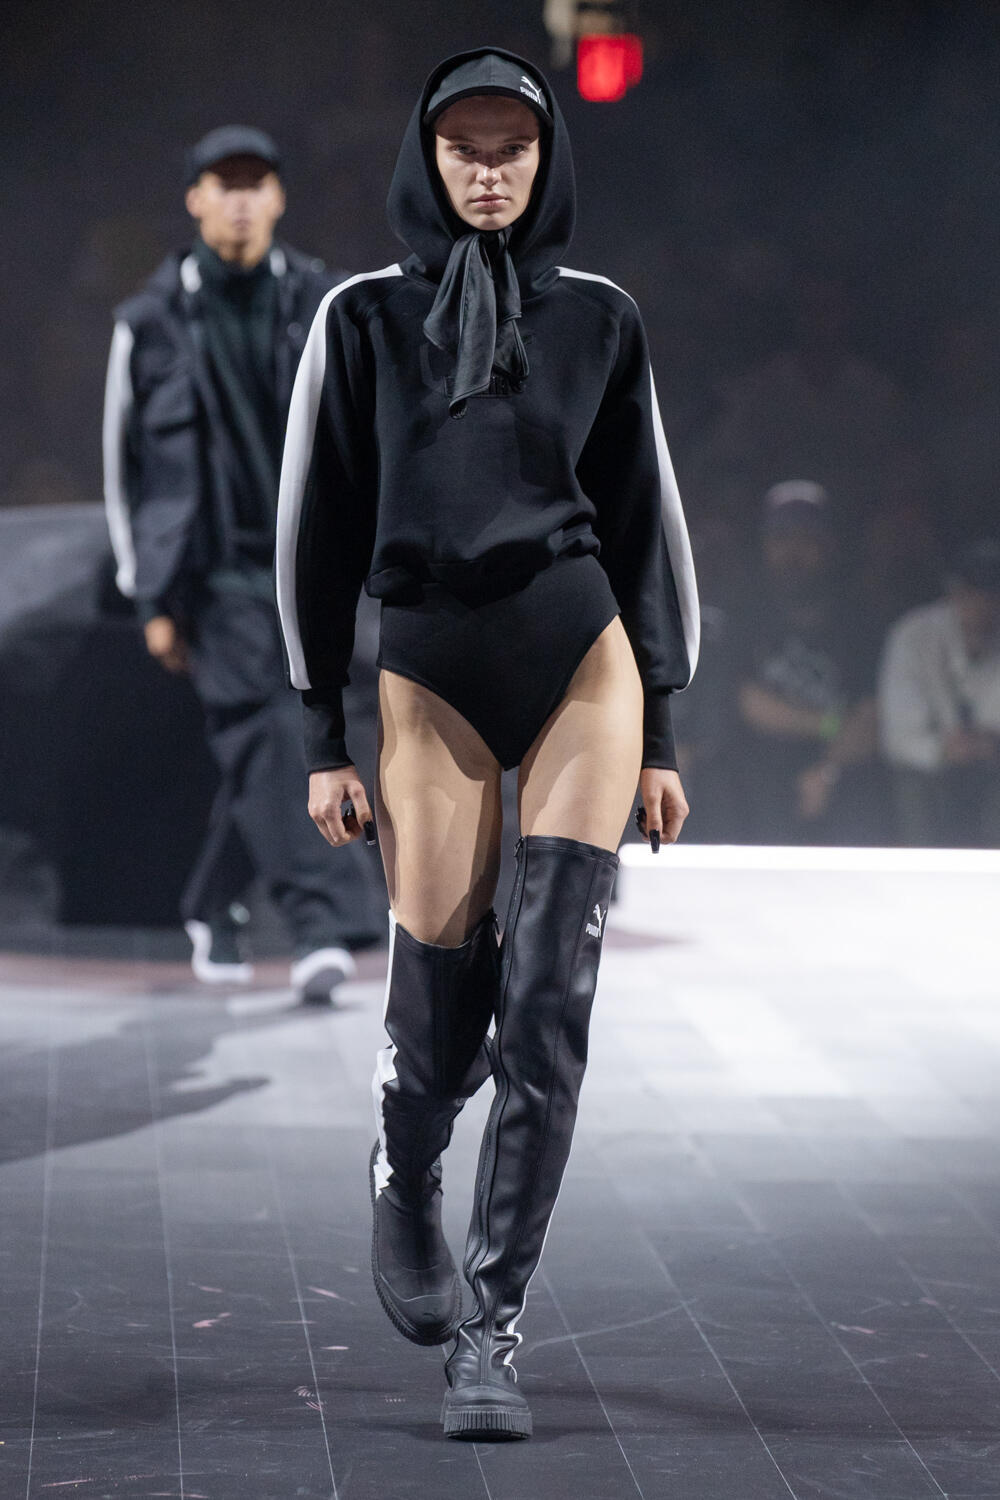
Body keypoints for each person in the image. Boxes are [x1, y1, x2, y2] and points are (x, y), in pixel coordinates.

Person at [275, 49, 699, 1439]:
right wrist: (322, 735)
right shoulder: (361, 317)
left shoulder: (600, 317)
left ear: (545, 156)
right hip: (430, 666)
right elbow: (313, 531)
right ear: (429, 157)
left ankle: (492, 1332)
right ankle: (406, 1167)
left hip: (579, 653)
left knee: (552, 1004)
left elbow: (642, 523)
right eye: (464, 146)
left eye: (513, 145)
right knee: (444, 1005)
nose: (490, 169)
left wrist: (661, 724)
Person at [103, 125, 380, 998]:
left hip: (316, 568)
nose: (241, 199)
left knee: (287, 740)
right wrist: (149, 597)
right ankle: (319, 924)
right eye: (224, 184)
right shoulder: (148, 321)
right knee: (267, 731)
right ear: (195, 200)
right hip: (215, 572)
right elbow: (122, 465)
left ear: (279, 197)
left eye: (256, 183)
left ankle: (212, 899)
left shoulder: (323, 300)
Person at [731, 480, 881, 843]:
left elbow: (870, 720)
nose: (792, 552)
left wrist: (827, 769)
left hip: (842, 789)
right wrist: (830, 724)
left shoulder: (861, 622)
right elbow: (749, 703)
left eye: (806, 539)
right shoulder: (743, 616)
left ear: (829, 545)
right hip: (753, 794)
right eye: (781, 539)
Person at [879, 539, 1000, 846]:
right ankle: (918, 871)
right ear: (954, 593)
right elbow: (899, 739)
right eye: (971, 593)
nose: (983, 605)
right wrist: (943, 750)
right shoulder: (914, 635)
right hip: (931, 773)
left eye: (992, 594)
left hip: (993, 769)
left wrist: (985, 744)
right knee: (911, 780)